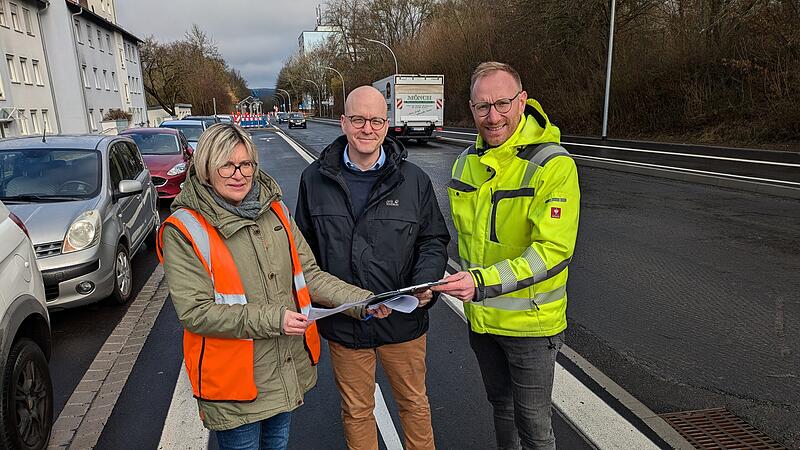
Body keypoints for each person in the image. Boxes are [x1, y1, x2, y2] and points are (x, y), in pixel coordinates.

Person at [156, 123, 391, 450]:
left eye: (246, 164)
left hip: (283, 370)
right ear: (207, 168)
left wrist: (363, 301)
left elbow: (309, 275)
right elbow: (196, 313)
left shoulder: (275, 211)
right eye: (227, 165)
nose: (239, 174)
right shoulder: (184, 229)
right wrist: (275, 319)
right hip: (233, 386)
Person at [432, 62, 580, 450]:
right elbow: (463, 241)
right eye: (483, 106)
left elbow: (553, 252)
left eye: (502, 103)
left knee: (534, 427)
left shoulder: (552, 165)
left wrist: (481, 283)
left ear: (522, 101)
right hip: (482, 320)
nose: (493, 116)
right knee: (501, 408)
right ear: (471, 108)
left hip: (531, 324)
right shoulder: (466, 161)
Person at [295, 86, 450, 450]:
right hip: (346, 321)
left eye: (376, 120)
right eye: (359, 119)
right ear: (343, 122)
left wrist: (424, 284)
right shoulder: (314, 180)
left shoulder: (414, 180)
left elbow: (432, 240)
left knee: (414, 405)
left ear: (387, 123)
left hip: (403, 321)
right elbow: (303, 253)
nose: (368, 128)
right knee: (357, 411)